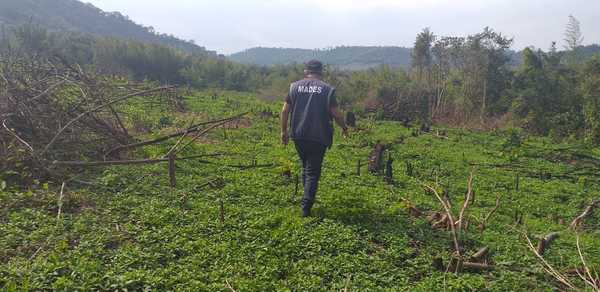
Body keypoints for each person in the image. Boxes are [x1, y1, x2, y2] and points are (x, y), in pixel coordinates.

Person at [280, 60, 348, 217]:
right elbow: (336, 114)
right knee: (312, 171)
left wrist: (283, 132)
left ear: (306, 71)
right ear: (321, 72)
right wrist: (344, 127)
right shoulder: (327, 90)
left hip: (298, 134)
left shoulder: (294, 87)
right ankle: (306, 206)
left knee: (306, 167)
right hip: (319, 136)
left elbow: (284, 111)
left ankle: (306, 198)